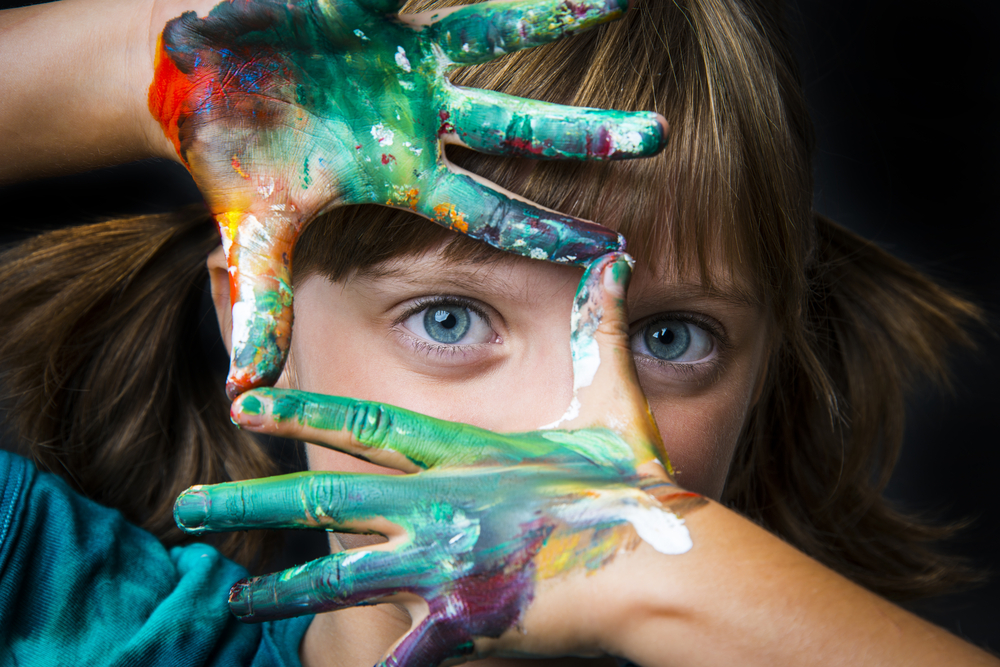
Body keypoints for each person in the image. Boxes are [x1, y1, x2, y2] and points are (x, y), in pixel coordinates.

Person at [0, 0, 996, 666]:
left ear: (767, 363)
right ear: (251, 316)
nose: (556, 432)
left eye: (669, 338)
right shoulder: (61, 614)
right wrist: (174, 70)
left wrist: (644, 558)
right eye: (449, 318)